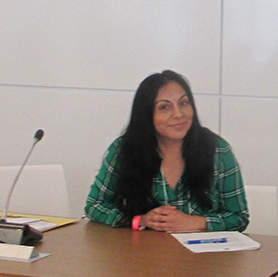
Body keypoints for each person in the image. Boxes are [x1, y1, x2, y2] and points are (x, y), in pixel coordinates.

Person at [85, 70, 248, 232]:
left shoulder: (218, 151)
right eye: (164, 107)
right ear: (146, 115)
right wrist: (140, 220)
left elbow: (239, 218)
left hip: (203, 255)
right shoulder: (123, 150)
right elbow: (94, 206)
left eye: (184, 103)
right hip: (141, 253)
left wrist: (196, 222)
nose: (178, 114)